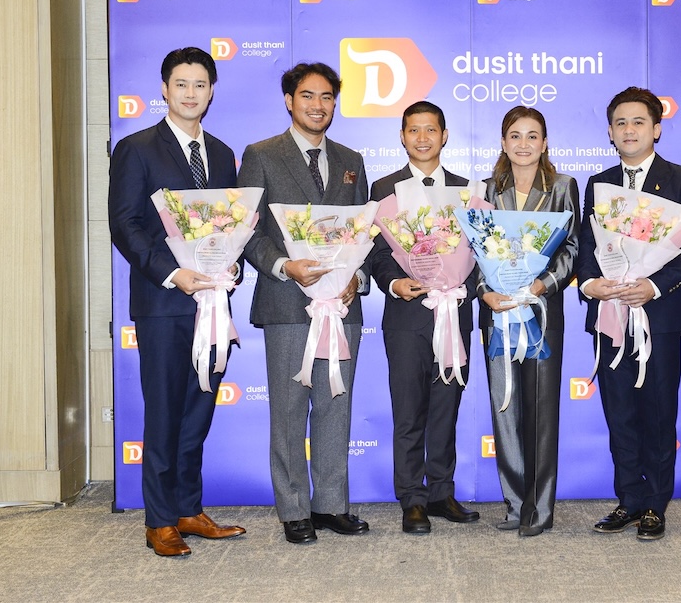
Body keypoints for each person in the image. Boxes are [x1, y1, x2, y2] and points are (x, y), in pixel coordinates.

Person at [109, 46, 246, 557]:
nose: (191, 93)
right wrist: (173, 273)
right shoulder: (137, 148)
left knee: (198, 410)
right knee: (165, 411)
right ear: (164, 89)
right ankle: (160, 519)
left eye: (200, 85)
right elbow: (126, 223)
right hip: (164, 301)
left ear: (212, 92)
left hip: (213, 303)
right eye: (181, 84)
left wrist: (230, 266)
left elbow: (232, 228)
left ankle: (188, 507)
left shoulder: (222, 154)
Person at [238, 62, 370, 544]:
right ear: (289, 101)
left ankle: (331, 504)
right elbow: (246, 231)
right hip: (286, 302)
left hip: (340, 305)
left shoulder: (351, 159)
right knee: (290, 410)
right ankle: (293, 508)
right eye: (308, 96)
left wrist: (357, 277)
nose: (318, 105)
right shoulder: (261, 155)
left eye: (327, 97)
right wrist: (283, 266)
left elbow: (363, 231)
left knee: (336, 405)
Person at [577, 87, 681, 541]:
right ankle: (629, 499)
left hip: (659, 314)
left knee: (658, 411)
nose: (629, 130)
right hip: (611, 313)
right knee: (620, 412)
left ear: (656, 129)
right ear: (610, 132)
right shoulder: (599, 183)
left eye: (638, 122)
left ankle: (655, 504)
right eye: (621, 123)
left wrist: (653, 285)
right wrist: (590, 284)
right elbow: (587, 245)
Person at [367, 101, 479, 534]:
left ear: (444, 135)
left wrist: (462, 282)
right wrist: (395, 282)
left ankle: (441, 493)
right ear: (402, 136)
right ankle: (412, 498)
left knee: (446, 409)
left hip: (454, 313)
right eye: (414, 130)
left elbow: (480, 252)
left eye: (431, 129)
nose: (422, 138)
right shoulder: (385, 189)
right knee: (409, 411)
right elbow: (376, 252)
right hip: (406, 317)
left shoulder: (468, 191)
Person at [477, 106, 579, 537]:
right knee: (505, 407)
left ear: (545, 142)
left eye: (532, 135)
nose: (524, 144)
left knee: (540, 410)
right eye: (515, 136)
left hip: (541, 311)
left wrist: (541, 286)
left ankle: (540, 508)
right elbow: (473, 251)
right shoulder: (485, 190)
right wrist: (485, 291)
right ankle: (515, 504)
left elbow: (572, 248)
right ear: (503, 142)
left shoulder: (562, 187)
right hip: (498, 311)